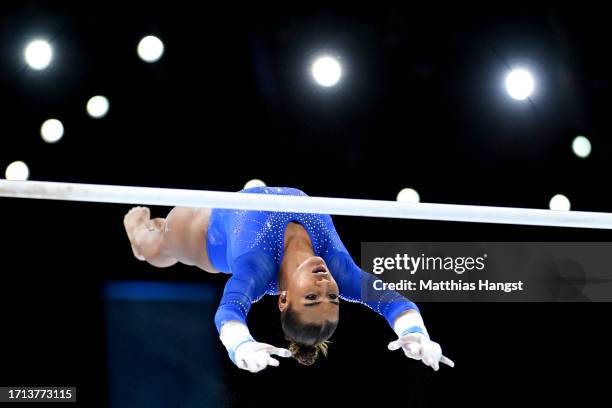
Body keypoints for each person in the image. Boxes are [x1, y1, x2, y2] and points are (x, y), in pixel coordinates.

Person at [123, 186, 453, 373]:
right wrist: (416, 333)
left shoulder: (258, 265)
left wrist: (240, 345)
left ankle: (146, 247)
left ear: (283, 298)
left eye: (311, 298)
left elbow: (229, 311)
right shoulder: (339, 269)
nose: (325, 286)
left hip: (205, 234)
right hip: (240, 203)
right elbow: (392, 302)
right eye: (333, 298)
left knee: (154, 242)